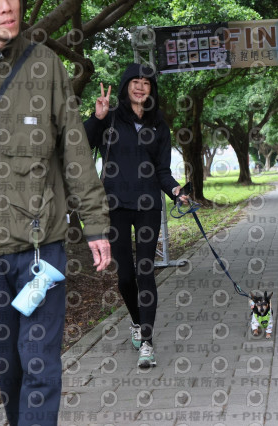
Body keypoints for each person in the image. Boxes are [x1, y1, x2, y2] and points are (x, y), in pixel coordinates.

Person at [0, 1, 111, 425]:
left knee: (39, 363)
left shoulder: (45, 64)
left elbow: (75, 150)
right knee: (9, 366)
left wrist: (95, 225)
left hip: (42, 246)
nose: (8, 7)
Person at [84, 64, 188, 368]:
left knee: (145, 272)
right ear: (126, 85)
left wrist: (176, 190)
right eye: (135, 82)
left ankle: (147, 341)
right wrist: (96, 118)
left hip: (147, 207)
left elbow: (162, 170)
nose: (140, 87)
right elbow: (82, 143)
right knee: (126, 276)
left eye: (146, 83)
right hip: (115, 205)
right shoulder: (111, 117)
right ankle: (135, 320)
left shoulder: (159, 125)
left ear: (151, 89)